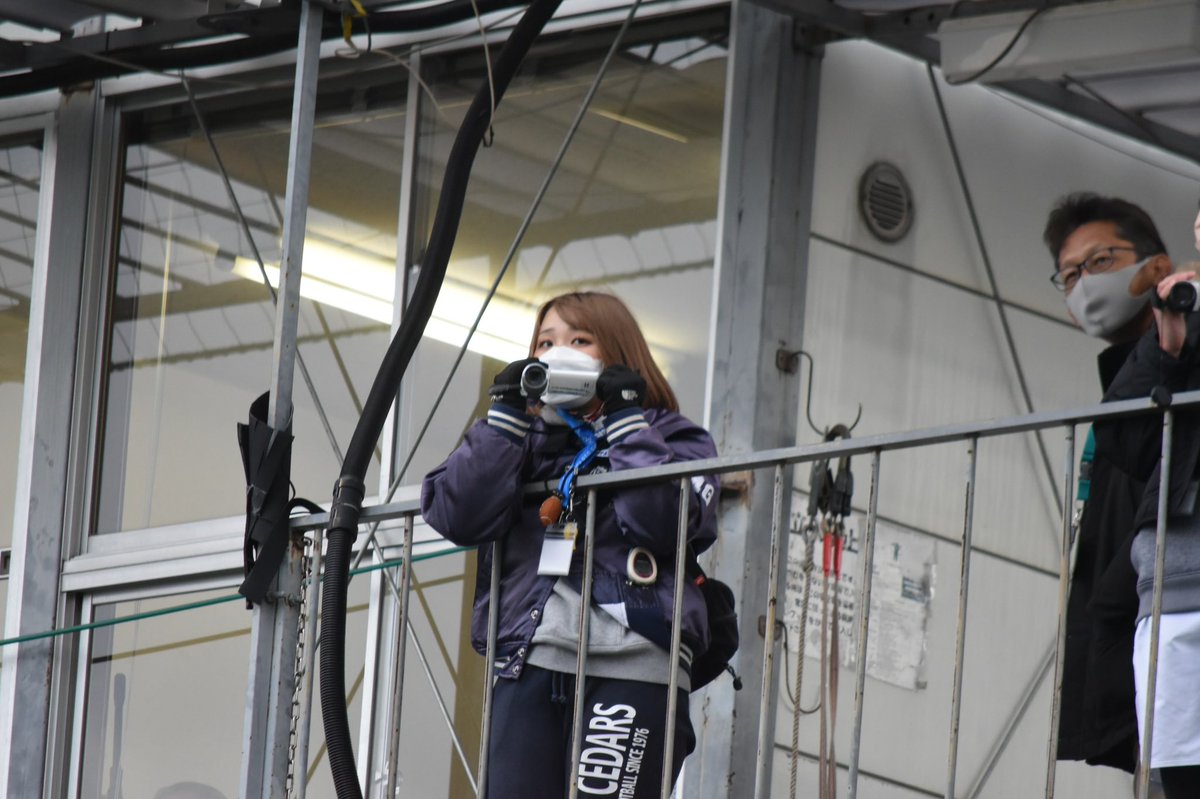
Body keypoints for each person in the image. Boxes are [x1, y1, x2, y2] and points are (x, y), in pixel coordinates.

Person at [421, 291, 720, 799]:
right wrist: (507, 418)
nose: (559, 352)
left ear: (617, 355)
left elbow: (663, 521)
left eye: (580, 340)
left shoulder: (675, 437)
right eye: (546, 342)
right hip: (528, 659)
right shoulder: (522, 439)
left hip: (633, 662)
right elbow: (456, 514)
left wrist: (625, 421)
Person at [1043, 193, 1169, 776]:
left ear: (1158, 268)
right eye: (1069, 275)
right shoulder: (1117, 382)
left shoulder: (1179, 356)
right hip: (1133, 649)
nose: (1084, 285)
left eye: (1099, 262)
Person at [1088, 205, 1200, 797]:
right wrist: (1170, 347)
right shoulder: (1187, 314)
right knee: (1180, 770)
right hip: (1178, 590)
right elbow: (1121, 440)